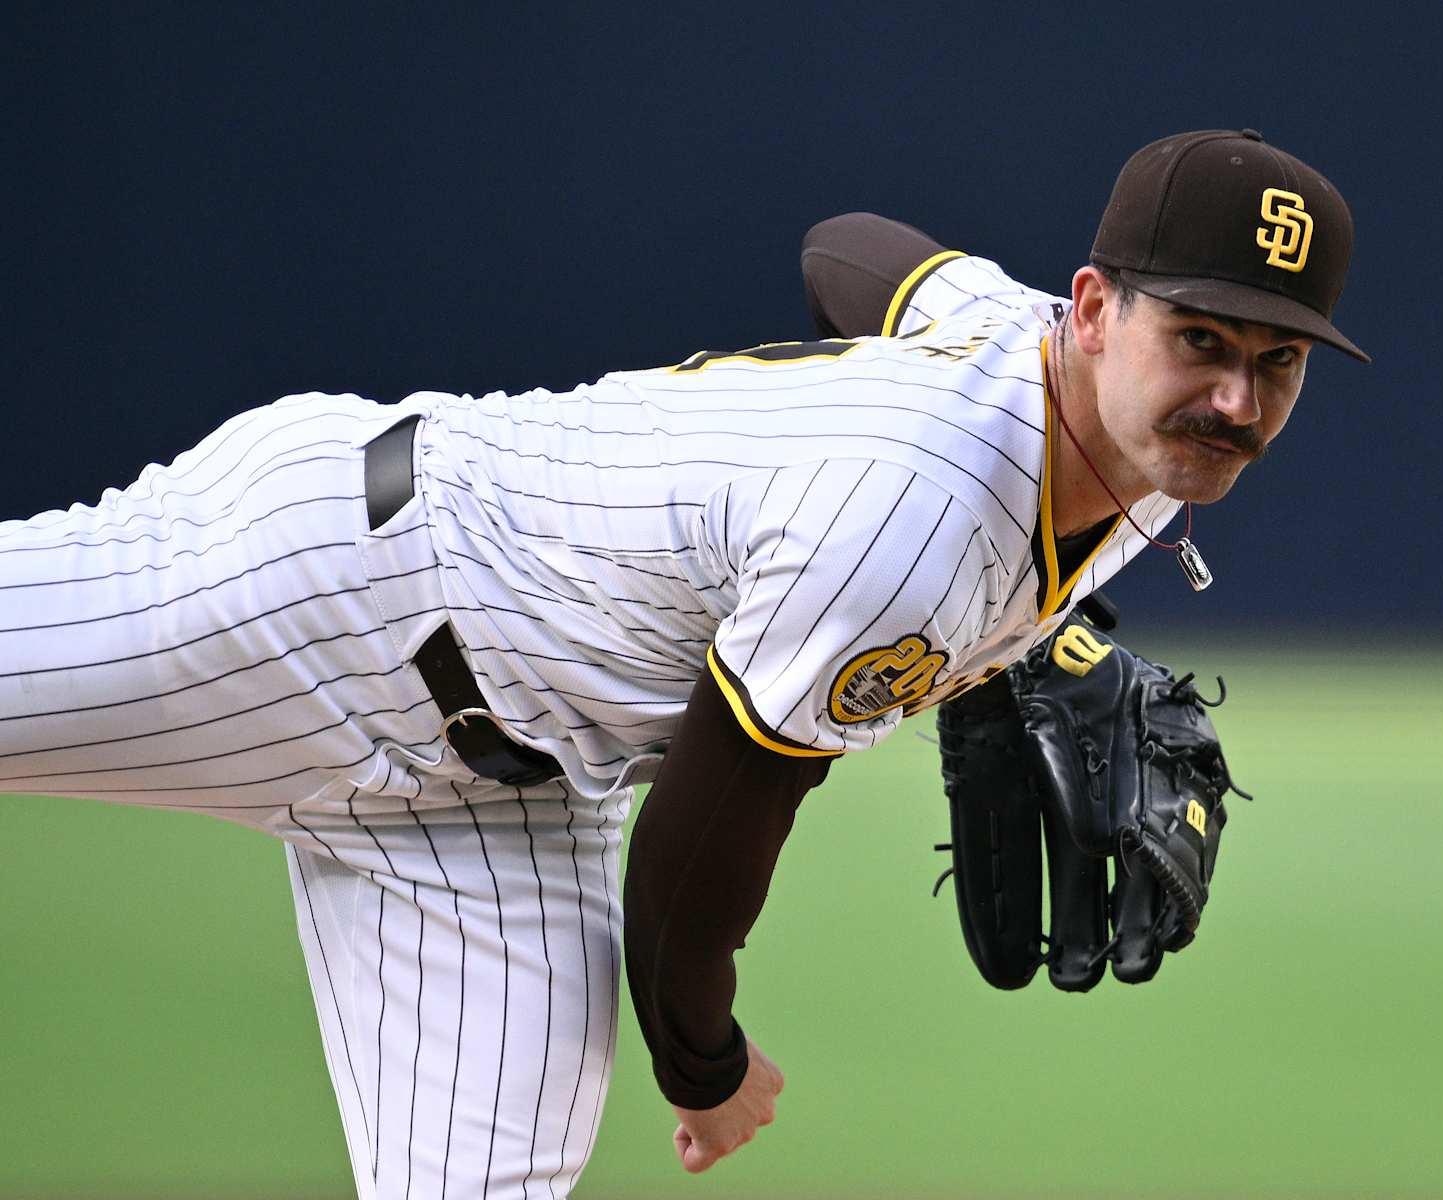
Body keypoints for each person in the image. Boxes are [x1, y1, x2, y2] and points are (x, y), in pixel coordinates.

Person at [0, 129, 1365, 1197]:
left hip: (506, 801)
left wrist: (1033, 641)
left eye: (1278, 362)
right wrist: (704, 1065)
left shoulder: (1073, 390)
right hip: (324, 590)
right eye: (1200, 341)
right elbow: (698, 851)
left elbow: (852, 248)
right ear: (1094, 308)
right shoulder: (911, 521)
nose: (1236, 401)